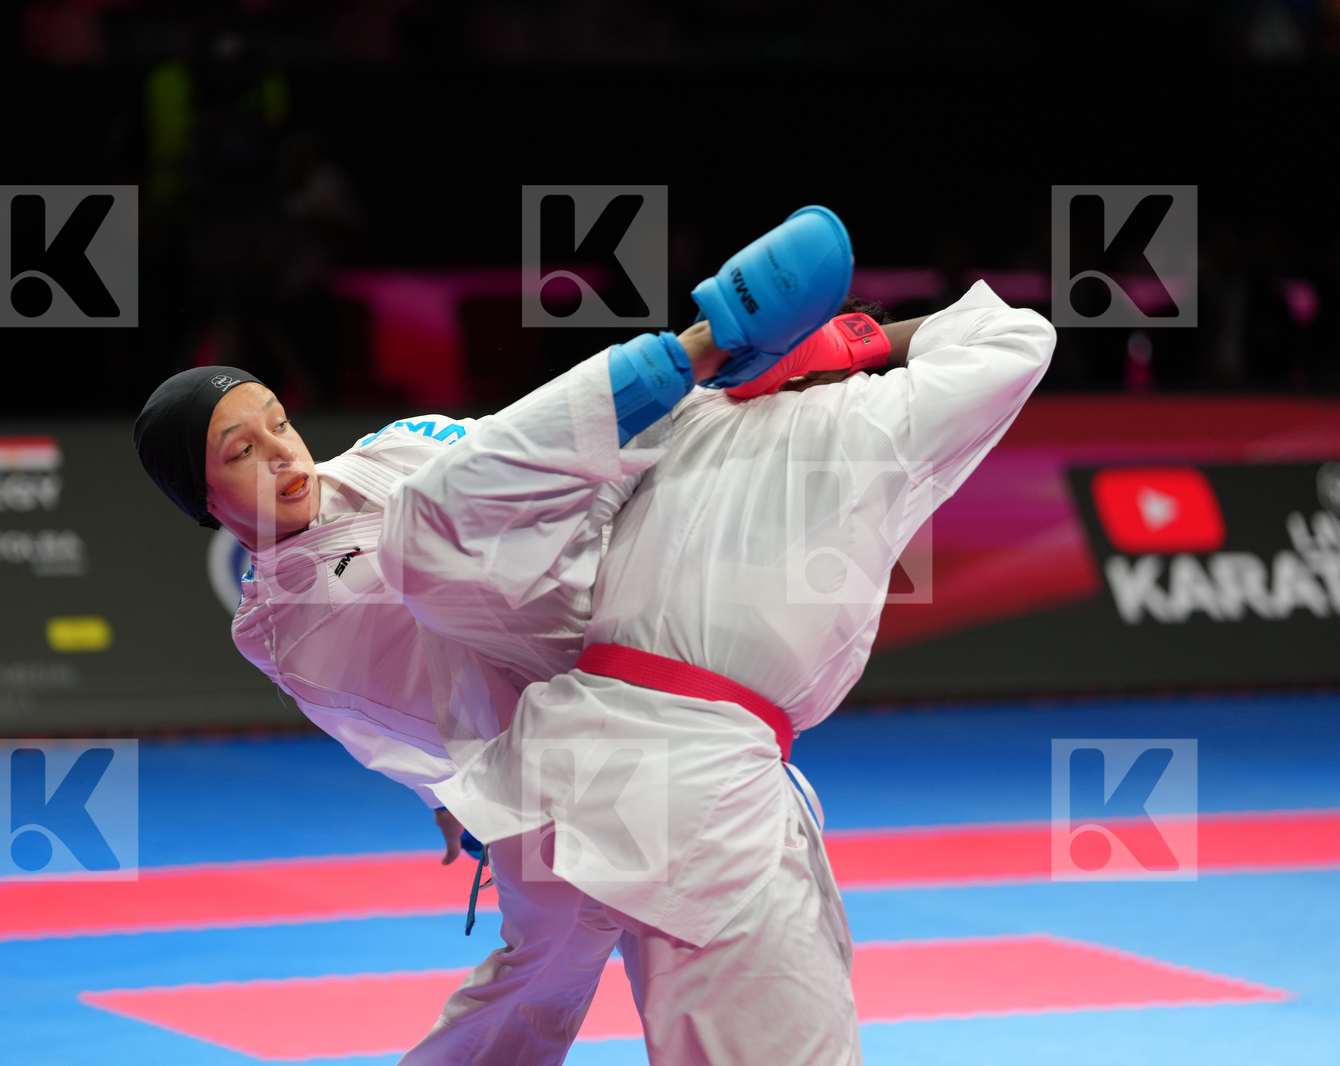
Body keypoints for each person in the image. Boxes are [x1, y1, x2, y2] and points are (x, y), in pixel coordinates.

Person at [131, 207, 857, 1064]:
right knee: (574, 959)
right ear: (202, 501)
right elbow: (401, 697)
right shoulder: (287, 623)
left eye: (278, 423)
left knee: (552, 966)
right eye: (240, 452)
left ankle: (783, 358)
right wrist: (449, 793)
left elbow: (528, 450)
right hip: (565, 765)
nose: (284, 455)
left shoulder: (388, 449)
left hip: (619, 695)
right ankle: (732, 349)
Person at [383, 269, 1056, 1063]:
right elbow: (1019, 334)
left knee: (515, 1007)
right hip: (695, 785)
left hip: (557, 759)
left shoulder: (677, 414)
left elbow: (513, 547)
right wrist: (863, 343)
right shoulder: (868, 415)